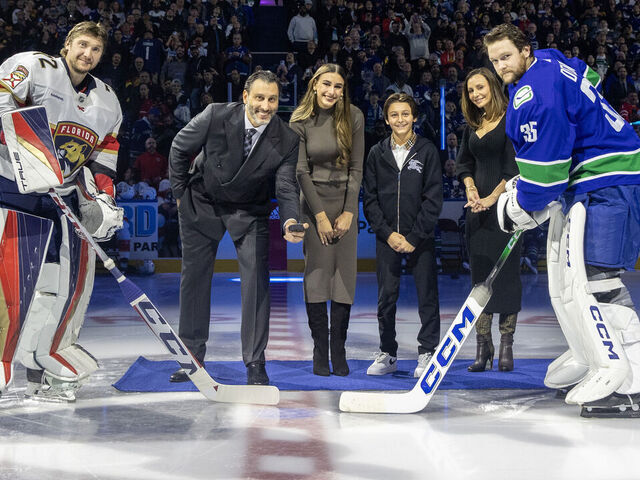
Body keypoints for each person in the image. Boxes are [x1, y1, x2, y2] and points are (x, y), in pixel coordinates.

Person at [484, 23, 640, 417]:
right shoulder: (550, 60)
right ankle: (591, 352)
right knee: (569, 276)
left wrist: (521, 203)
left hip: (608, 178)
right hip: (593, 176)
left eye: (506, 56)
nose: (501, 66)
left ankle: (631, 379)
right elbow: (587, 77)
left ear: (524, 49)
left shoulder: (536, 93)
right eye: (494, 60)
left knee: (597, 276)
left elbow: (547, 176)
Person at [0, 21, 123, 401]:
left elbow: (103, 159)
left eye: (96, 50)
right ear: (67, 44)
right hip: (11, 188)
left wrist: (103, 199)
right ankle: (2, 361)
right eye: (82, 45)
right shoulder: (34, 67)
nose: (88, 54)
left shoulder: (108, 100)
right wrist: (31, 153)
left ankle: (40, 367)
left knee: (51, 288)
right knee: (10, 283)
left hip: (59, 199)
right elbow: (3, 101)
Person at [168, 70, 305, 386]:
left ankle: (255, 362)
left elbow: (285, 186)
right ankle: (191, 359)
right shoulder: (215, 114)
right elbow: (178, 147)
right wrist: (178, 194)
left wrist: (289, 219)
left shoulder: (287, 139)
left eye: (272, 99)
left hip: (249, 209)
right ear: (245, 97)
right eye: (259, 98)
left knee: (257, 283)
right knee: (194, 280)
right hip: (202, 201)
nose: (265, 106)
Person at [289, 64, 364, 376]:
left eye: (338, 86)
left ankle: (339, 349)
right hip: (314, 204)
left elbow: (356, 169)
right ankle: (320, 350)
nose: (332, 91)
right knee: (318, 276)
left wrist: (348, 211)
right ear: (314, 85)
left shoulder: (354, 116)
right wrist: (319, 217)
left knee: (344, 277)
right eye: (327, 84)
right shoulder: (298, 120)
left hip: (345, 203)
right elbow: (300, 171)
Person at [362, 93, 443, 377]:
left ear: (414, 117)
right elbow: (369, 199)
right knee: (386, 298)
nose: (400, 119)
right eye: (394, 115)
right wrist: (388, 234)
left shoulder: (427, 150)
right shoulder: (376, 153)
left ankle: (427, 352)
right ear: (386, 119)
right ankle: (388, 353)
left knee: (427, 297)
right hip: (387, 239)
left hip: (420, 238)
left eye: (405, 114)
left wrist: (414, 235)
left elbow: (433, 198)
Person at [456, 67, 521, 373]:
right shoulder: (472, 123)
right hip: (476, 209)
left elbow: (513, 169)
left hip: (506, 209)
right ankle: (483, 346)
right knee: (479, 278)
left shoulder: (512, 120)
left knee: (506, 277)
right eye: (470, 90)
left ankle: (507, 344)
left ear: (493, 87)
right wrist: (471, 190)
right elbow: (464, 163)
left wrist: (492, 199)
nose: (475, 94)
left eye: (480, 88)